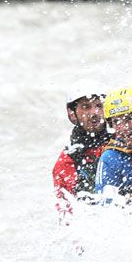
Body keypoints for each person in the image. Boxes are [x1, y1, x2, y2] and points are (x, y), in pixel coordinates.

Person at [53, 82, 111, 217]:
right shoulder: (66, 162)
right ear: (72, 114)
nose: (94, 113)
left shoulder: (125, 141)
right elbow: (67, 217)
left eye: (99, 106)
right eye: (86, 107)